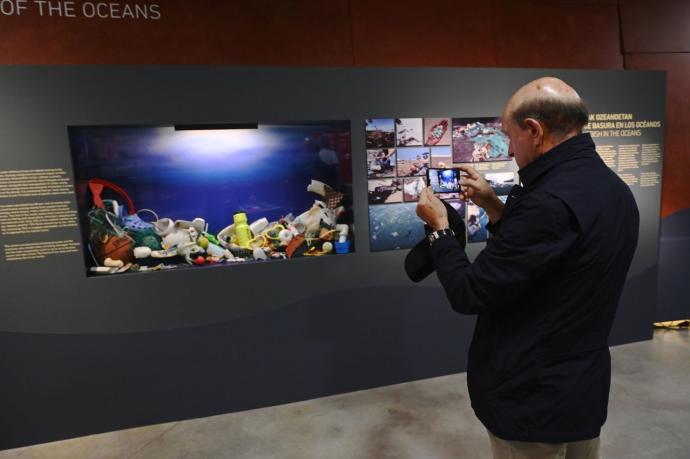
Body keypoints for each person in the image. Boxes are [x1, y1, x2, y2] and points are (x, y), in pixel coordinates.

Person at [415, 77, 639, 459]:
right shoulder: (612, 189)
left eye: (508, 135)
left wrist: (439, 229)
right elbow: (546, 257)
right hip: (580, 390)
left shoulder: (547, 202)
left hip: (530, 396)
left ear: (534, 130)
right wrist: (491, 205)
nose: (508, 146)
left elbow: (470, 292)